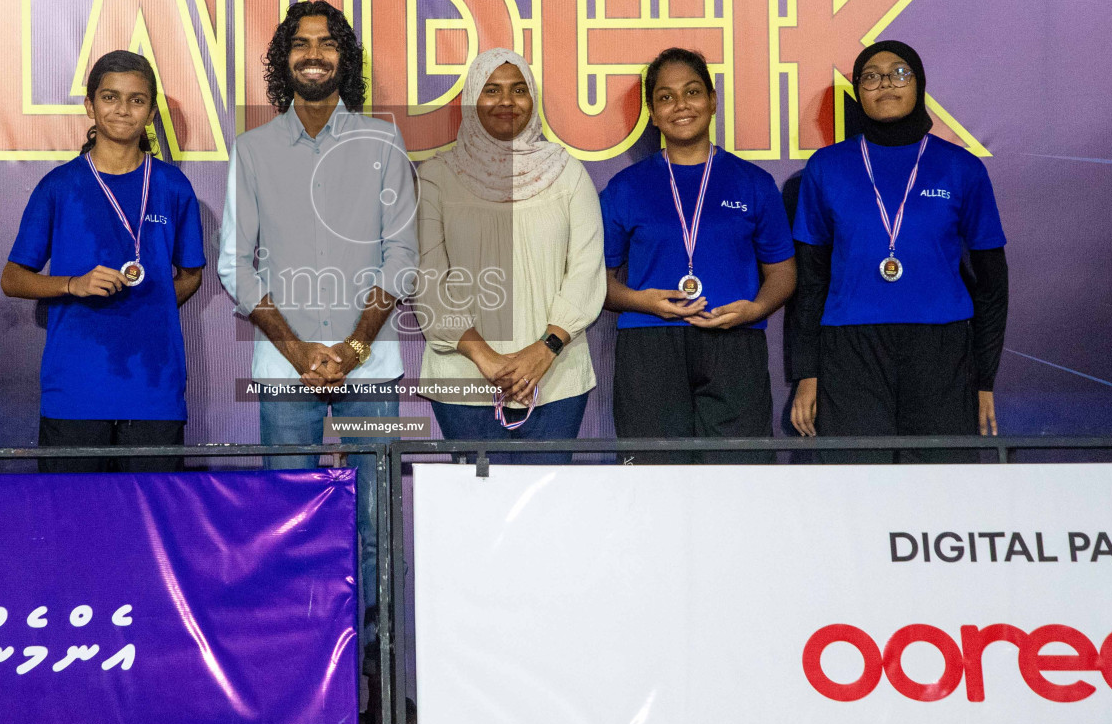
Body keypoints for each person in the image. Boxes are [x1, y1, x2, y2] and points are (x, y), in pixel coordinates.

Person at [216, 0, 417, 642]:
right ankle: (299, 670)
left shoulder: (382, 142)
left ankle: (376, 677)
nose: (313, 53)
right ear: (284, 58)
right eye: (301, 43)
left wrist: (353, 348)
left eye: (327, 43)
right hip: (284, 372)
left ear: (343, 58)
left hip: (373, 367)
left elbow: (403, 256)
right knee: (288, 523)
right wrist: (301, 353)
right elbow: (235, 265)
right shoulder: (252, 150)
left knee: (376, 524)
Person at [789, 40, 1008, 441]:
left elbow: (993, 286)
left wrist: (984, 378)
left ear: (919, 84)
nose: (886, 83)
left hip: (942, 348)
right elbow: (810, 282)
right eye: (871, 76)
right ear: (858, 92)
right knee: (857, 485)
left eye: (899, 73)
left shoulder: (962, 168)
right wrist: (807, 372)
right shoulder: (827, 168)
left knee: (939, 485)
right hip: (850, 347)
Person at [2, 49, 205, 472]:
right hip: (76, 389)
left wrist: (153, 304)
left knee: (150, 524)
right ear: (90, 106)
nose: (123, 109)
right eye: (110, 97)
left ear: (150, 112)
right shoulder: (59, 185)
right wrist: (72, 284)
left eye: (136, 100)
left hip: (155, 389)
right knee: (75, 527)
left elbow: (191, 275)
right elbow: (13, 278)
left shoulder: (173, 186)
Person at [600, 48, 796, 449]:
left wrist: (755, 310)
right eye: (666, 97)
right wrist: (643, 302)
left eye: (692, 92)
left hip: (734, 341)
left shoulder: (753, 183)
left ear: (712, 100)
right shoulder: (625, 187)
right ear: (653, 114)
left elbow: (783, 273)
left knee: (737, 480)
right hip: (650, 345)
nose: (681, 105)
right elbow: (597, 283)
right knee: (655, 481)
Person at [415, 48, 604, 461]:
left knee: (545, 515)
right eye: (491, 90)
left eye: (519, 90)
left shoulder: (566, 171)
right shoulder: (437, 176)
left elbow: (587, 269)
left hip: (556, 378)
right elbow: (427, 279)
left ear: (532, 99)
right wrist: (487, 359)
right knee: (476, 512)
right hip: (464, 379)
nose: (506, 101)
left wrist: (544, 350)